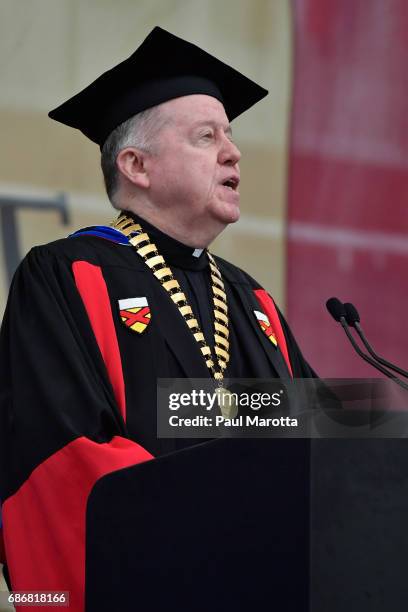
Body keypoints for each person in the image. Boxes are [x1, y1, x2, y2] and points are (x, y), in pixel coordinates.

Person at [0, 27, 315, 611]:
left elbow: (322, 439)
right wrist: (213, 522)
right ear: (136, 165)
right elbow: (59, 449)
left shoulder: (252, 301)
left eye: (231, 134)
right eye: (206, 135)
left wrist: (372, 419)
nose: (233, 151)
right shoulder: (66, 276)